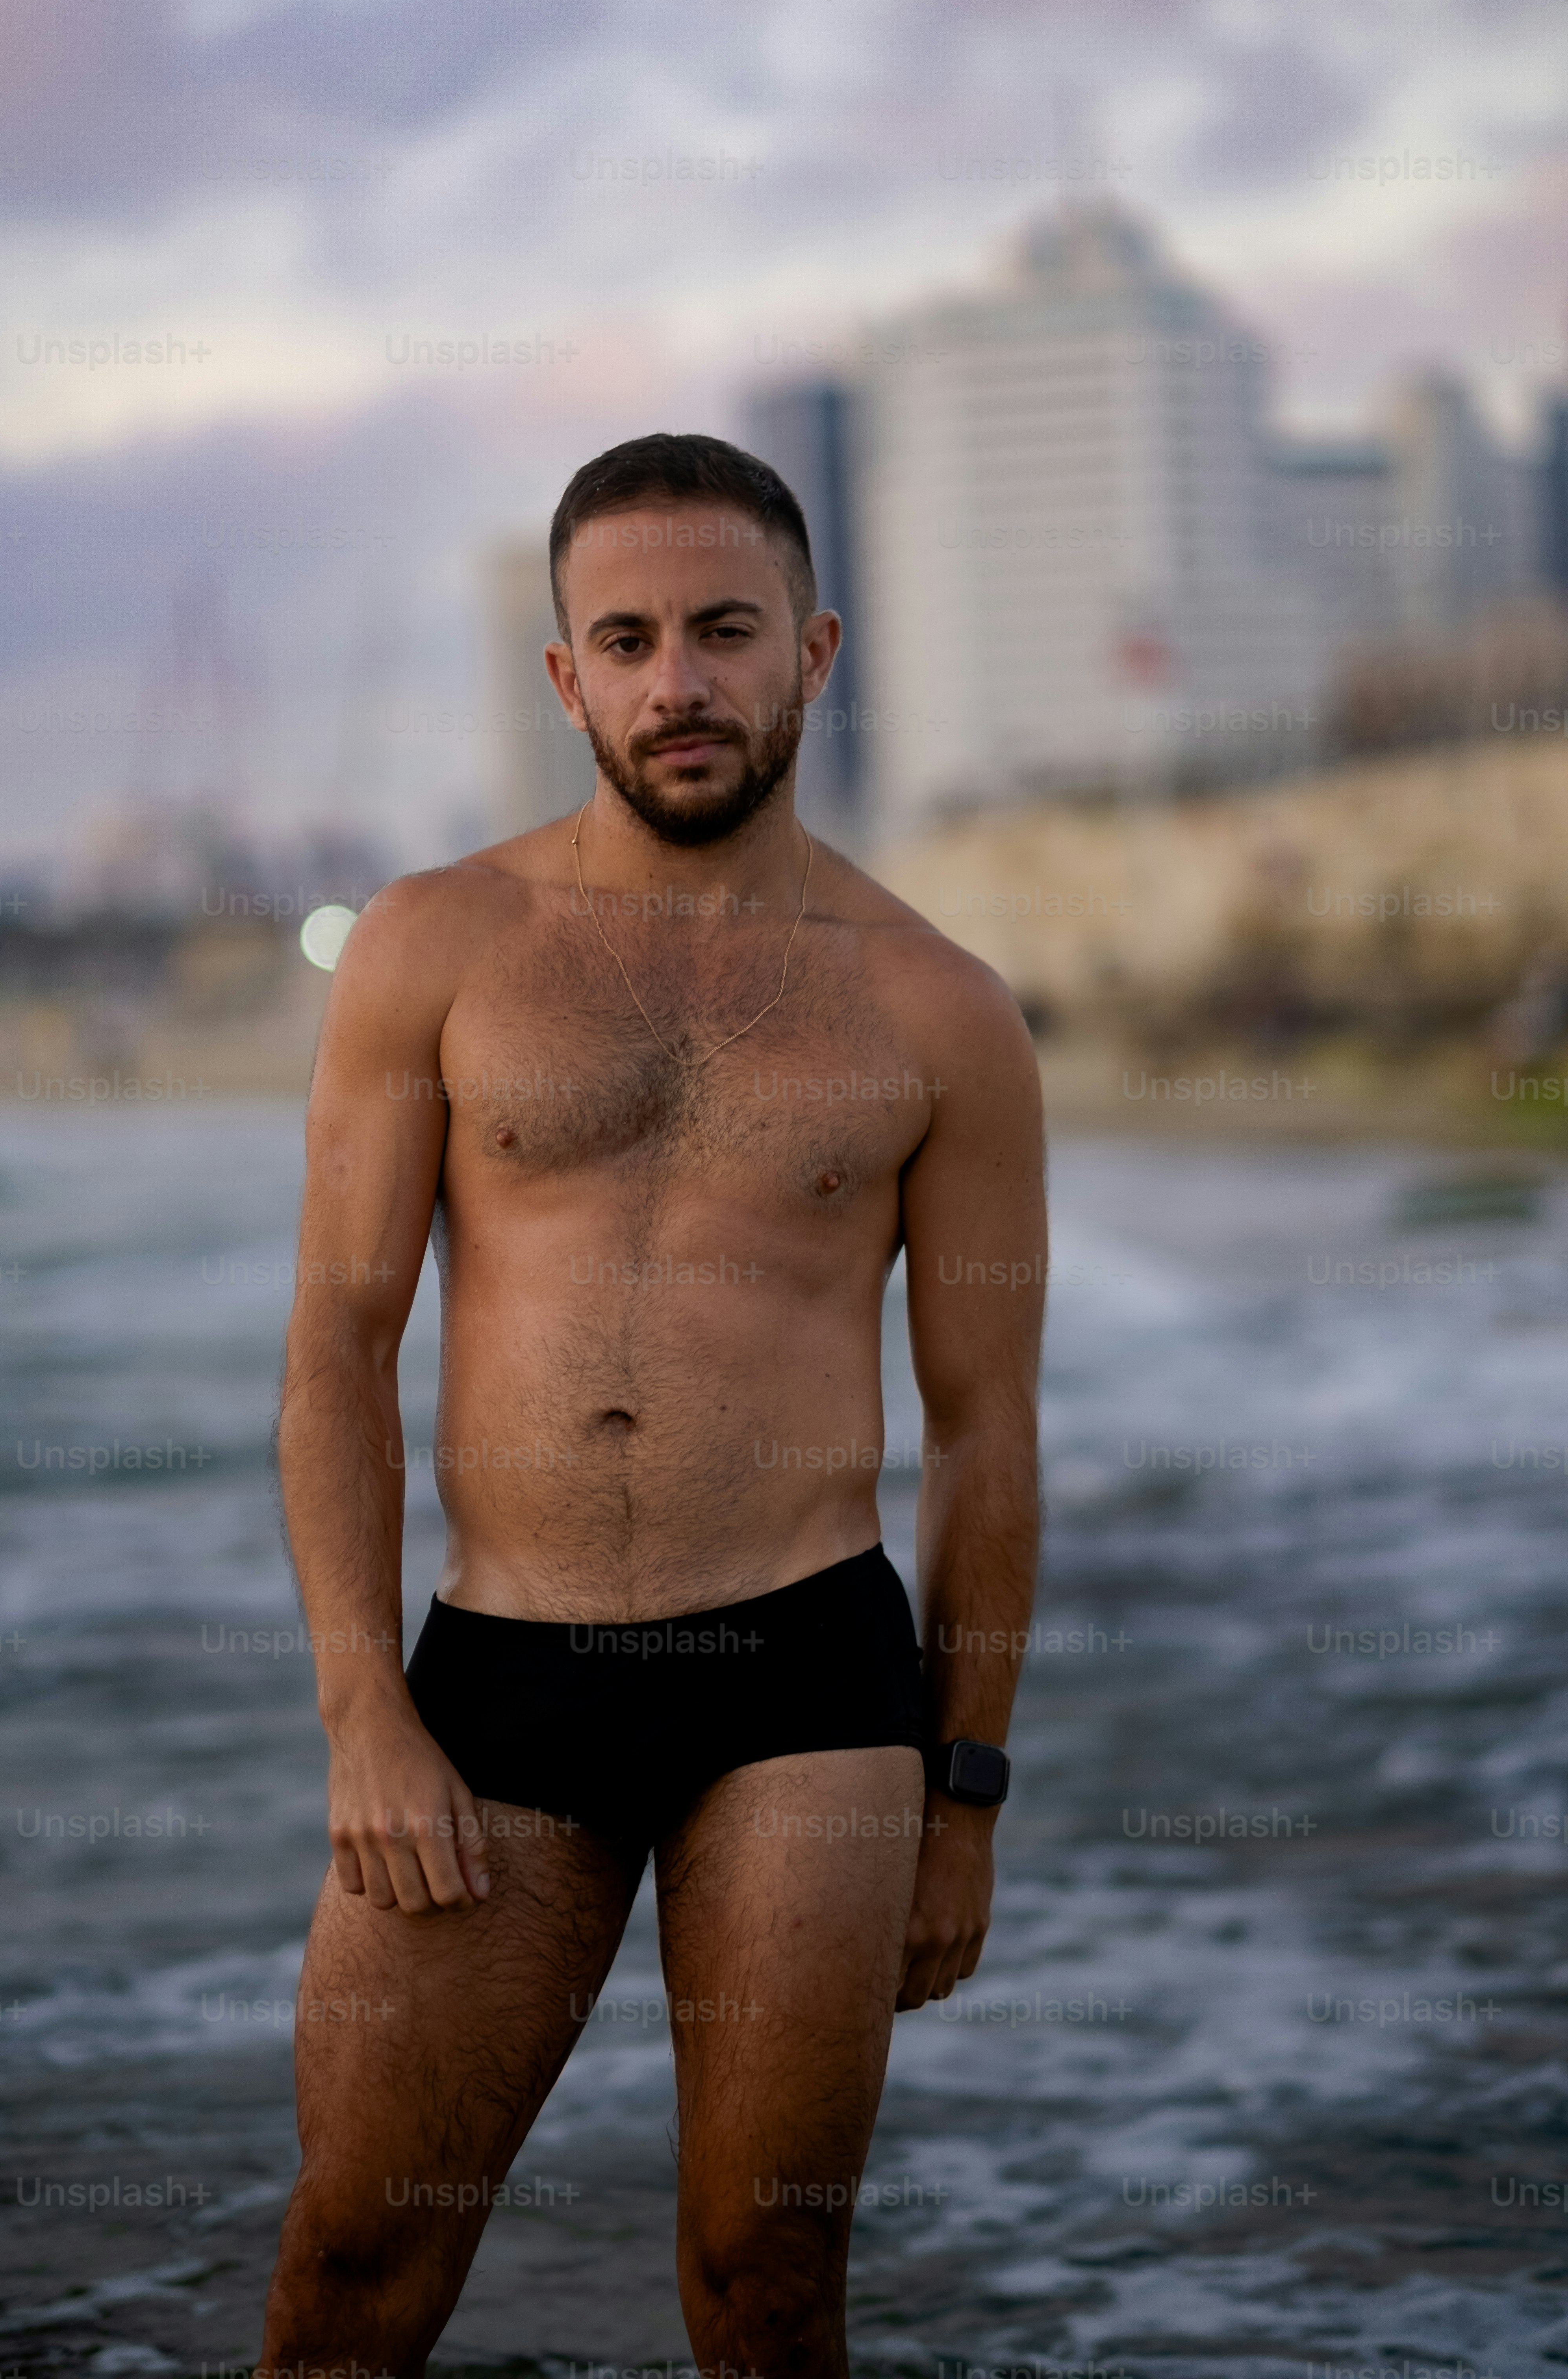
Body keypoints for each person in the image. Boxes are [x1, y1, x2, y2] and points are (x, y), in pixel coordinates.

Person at [258, 433, 1045, 2378]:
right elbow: (337, 1346)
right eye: (625, 642)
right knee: (354, 2261)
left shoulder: (938, 1008)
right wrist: (362, 1712)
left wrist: (963, 1797)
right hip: (500, 1677)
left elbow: (984, 1431)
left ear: (814, 650)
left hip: (806, 1683)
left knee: (766, 2279)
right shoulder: (438, 946)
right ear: (565, 678)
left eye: (723, 631)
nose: (675, 682)